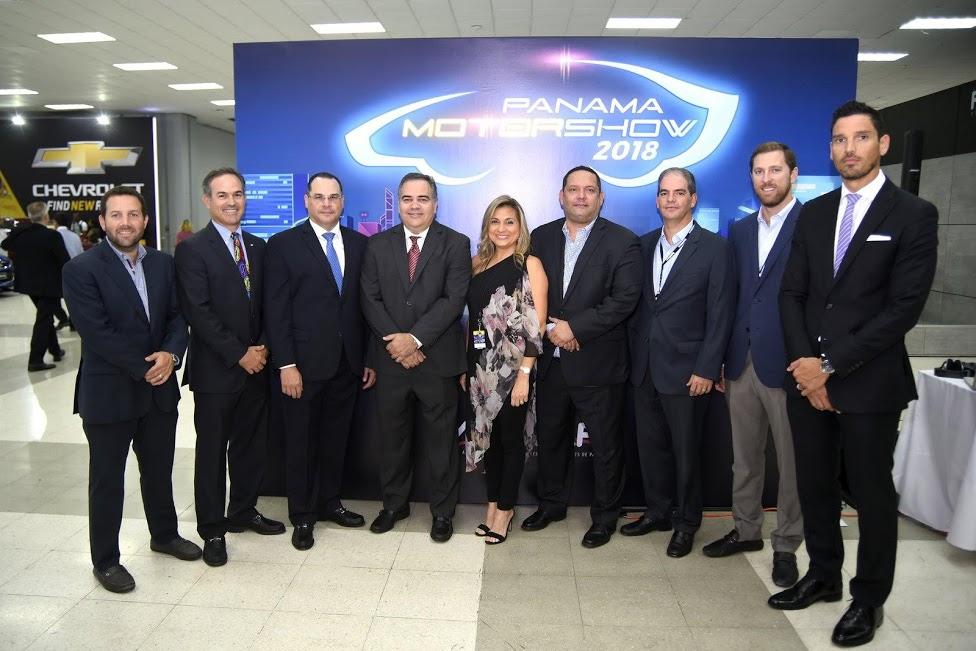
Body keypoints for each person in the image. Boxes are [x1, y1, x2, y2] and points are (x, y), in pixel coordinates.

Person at [769, 101, 938, 647]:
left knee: (871, 494)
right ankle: (823, 576)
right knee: (815, 486)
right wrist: (806, 366)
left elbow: (902, 309)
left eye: (861, 137)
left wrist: (830, 367)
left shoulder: (913, 214)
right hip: (806, 378)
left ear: (881, 144)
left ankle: (868, 599)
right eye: (840, 139)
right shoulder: (815, 213)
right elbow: (792, 293)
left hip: (868, 382)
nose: (849, 149)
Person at [62, 186, 201, 594]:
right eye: (116, 215)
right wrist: (148, 367)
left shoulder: (163, 263)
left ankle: (165, 535)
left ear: (145, 220)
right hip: (110, 393)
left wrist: (171, 355)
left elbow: (178, 316)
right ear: (102, 221)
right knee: (108, 480)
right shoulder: (81, 269)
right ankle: (106, 560)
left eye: (133, 214)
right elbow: (97, 332)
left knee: (158, 470)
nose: (126, 222)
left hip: (159, 391)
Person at [522, 165, 642, 549]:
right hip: (552, 362)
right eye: (573, 189)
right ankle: (551, 504)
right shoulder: (540, 238)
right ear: (561, 196)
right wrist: (552, 329)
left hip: (599, 364)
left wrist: (575, 328)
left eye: (589, 190)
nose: (580, 196)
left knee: (606, 446)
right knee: (551, 438)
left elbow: (624, 299)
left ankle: (604, 517)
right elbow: (529, 295)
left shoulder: (623, 242)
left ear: (601, 198)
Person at [703, 143, 804, 586]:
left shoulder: (811, 224)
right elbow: (733, 298)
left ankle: (787, 544)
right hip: (741, 362)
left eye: (775, 170)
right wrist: (724, 359)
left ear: (793, 175)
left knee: (792, 463)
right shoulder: (741, 229)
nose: (767, 178)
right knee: (744, 459)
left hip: (789, 364)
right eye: (759, 171)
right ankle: (746, 530)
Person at [175, 168, 285, 566]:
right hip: (217, 371)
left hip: (257, 366)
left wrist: (264, 348)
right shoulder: (192, 249)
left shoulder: (257, 246)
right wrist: (241, 353)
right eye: (222, 195)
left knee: (250, 446)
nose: (231, 201)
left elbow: (271, 304)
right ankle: (212, 529)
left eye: (237, 194)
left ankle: (243, 510)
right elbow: (198, 312)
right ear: (207, 200)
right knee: (211, 453)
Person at [625, 168, 732, 558]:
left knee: (686, 453)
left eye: (679, 192)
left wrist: (707, 368)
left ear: (693, 199)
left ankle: (687, 523)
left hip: (688, 371)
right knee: (651, 447)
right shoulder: (642, 245)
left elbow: (720, 313)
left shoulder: (715, 249)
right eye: (664, 193)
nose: (671, 199)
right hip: (644, 368)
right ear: (657, 200)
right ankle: (657, 512)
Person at [265, 172, 375, 551]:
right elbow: (276, 310)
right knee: (301, 443)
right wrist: (286, 364)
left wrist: (367, 357)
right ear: (307, 201)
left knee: (335, 440)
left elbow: (364, 307)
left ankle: (330, 503)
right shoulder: (283, 245)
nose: (327, 204)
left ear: (342, 202)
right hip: (302, 367)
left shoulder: (361, 244)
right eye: (319, 197)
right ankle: (302, 514)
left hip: (347, 364)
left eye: (333, 197)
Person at [360, 172, 470, 543]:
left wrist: (415, 339)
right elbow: (369, 299)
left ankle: (442, 512)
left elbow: (453, 300)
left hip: (436, 360)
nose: (415, 206)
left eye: (423, 199)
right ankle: (394, 505)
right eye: (407, 198)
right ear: (398, 204)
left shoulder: (456, 243)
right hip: (391, 360)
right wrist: (398, 344)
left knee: (441, 443)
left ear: (435, 204)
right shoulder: (377, 244)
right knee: (392, 439)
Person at [463, 195, 547, 544]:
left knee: (510, 442)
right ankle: (492, 506)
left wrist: (524, 375)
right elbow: (473, 320)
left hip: (514, 370)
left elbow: (537, 325)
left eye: (509, 222)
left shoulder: (530, 264)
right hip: (480, 369)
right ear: (487, 226)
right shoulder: (476, 264)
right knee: (490, 442)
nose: (502, 228)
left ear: (520, 226)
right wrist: (466, 366)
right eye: (495, 222)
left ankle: (506, 511)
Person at [1, 202, 69, 371]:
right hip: (50, 286)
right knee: (44, 320)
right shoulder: (51, 236)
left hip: (28, 284)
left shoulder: (22, 234)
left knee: (45, 317)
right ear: (46, 216)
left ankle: (55, 350)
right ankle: (35, 360)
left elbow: (5, 244)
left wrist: (25, 227)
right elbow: (65, 261)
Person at [53, 213, 83, 331]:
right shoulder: (75, 236)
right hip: (75, 272)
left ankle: (62, 318)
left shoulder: (53, 235)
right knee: (73, 299)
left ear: (55, 222)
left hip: (56, 272)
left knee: (53, 299)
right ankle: (73, 322)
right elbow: (81, 254)